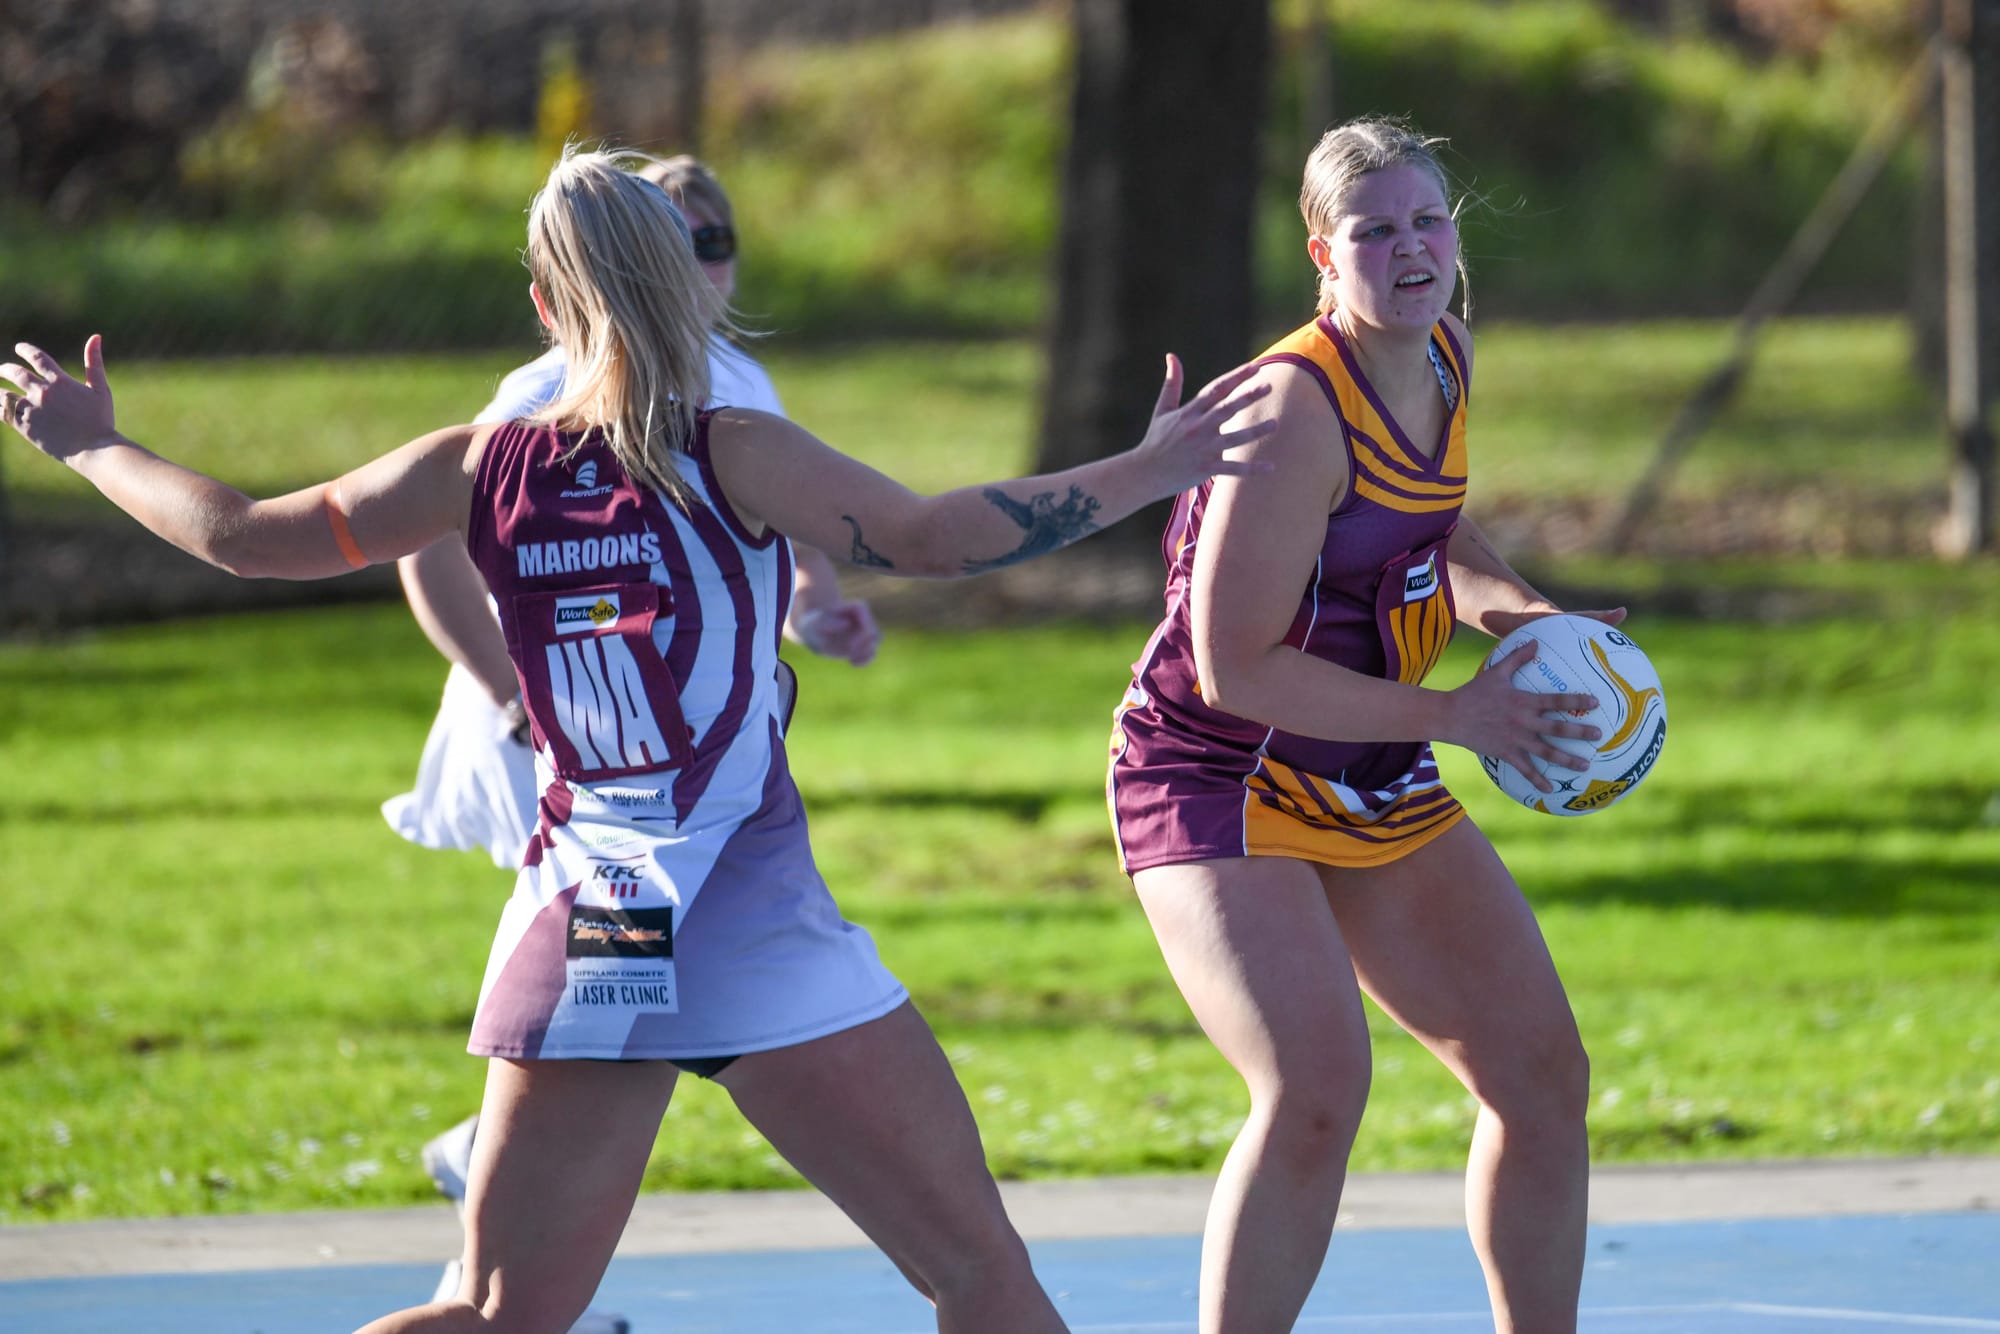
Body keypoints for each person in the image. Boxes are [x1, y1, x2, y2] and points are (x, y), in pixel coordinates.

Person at [2, 147, 1276, 1334]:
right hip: (711, 910)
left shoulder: (477, 463)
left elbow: (241, 534)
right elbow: (938, 537)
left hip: (620, 908)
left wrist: (96, 441)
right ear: (685, 286)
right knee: (981, 1275)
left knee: (503, 1313)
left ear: (546, 304)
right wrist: (1141, 470)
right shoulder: (735, 451)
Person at [1105, 118, 1625, 1334]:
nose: (1410, 248)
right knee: (1312, 1085)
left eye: (1428, 219)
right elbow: (1235, 669)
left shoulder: (1442, 349)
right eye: (1373, 229)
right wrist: (1458, 714)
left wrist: (1531, 622)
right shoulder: (1292, 411)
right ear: (1319, 258)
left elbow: (1434, 531)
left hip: (1366, 763)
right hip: (1217, 771)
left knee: (1542, 1080)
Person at [385, 161, 877, 1333]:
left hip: (733, 861)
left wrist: (814, 607)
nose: (706, 258)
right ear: (582, 288)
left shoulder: (731, 394)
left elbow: (764, 537)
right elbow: (399, 538)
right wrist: (512, 694)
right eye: (680, 239)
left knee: (974, 1263)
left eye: (720, 234)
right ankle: (502, 1198)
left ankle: (513, 1183)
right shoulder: (538, 407)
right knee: (506, 1286)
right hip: (614, 833)